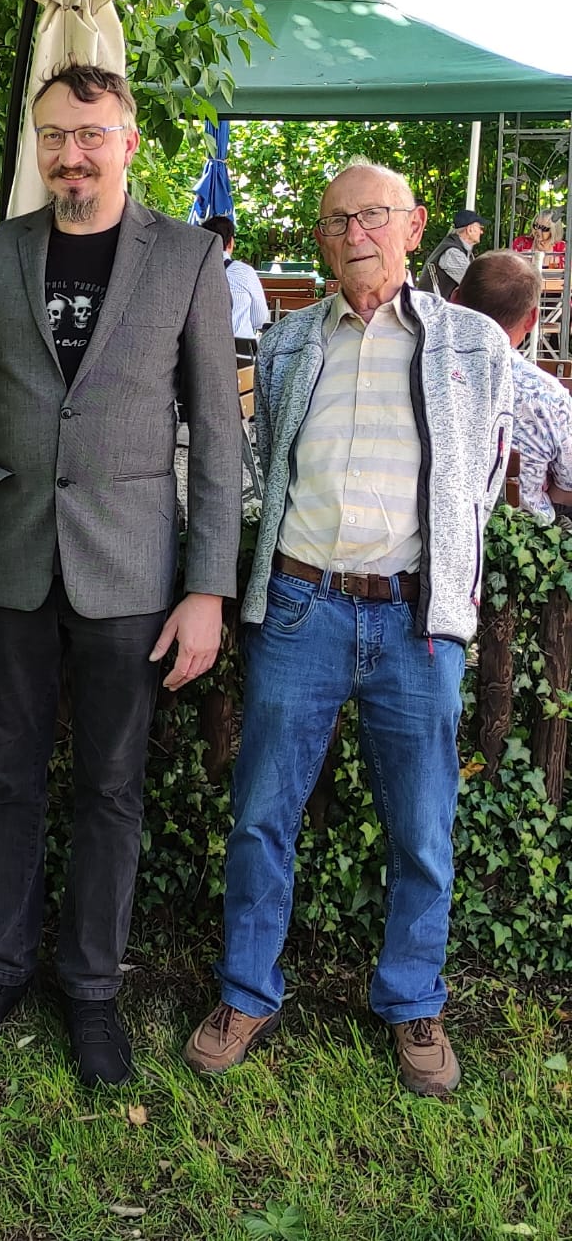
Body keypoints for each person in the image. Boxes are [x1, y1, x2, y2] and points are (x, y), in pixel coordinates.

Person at [0, 63, 242, 1087]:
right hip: (8, 562)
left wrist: (206, 587)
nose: (71, 153)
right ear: (36, 144)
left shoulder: (188, 258)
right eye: (54, 136)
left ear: (128, 140)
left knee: (111, 789)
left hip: (133, 568)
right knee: (4, 781)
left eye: (90, 134)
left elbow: (216, 429)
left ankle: (92, 987)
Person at [184, 161, 513, 1098]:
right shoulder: (288, 342)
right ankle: (247, 992)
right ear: (322, 240)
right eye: (336, 221)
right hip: (300, 607)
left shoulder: (473, 343)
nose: (355, 233)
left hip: (416, 623)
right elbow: (259, 461)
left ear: (413, 227)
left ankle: (413, 1004)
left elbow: (482, 475)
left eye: (373, 216)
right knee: (260, 818)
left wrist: (447, 580)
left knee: (421, 828)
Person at [452, 251, 572, 521]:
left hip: (434, 540)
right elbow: (567, 490)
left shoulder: (418, 374)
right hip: (527, 541)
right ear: (531, 319)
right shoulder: (549, 397)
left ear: (455, 300)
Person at [201, 214, 269, 339]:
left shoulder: (191, 271)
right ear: (231, 243)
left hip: (197, 353)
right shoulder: (244, 272)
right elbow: (259, 319)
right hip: (240, 354)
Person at [419, 208, 486, 297]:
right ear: (470, 230)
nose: (481, 232)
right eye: (480, 228)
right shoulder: (452, 253)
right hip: (433, 309)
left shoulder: (459, 249)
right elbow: (475, 285)